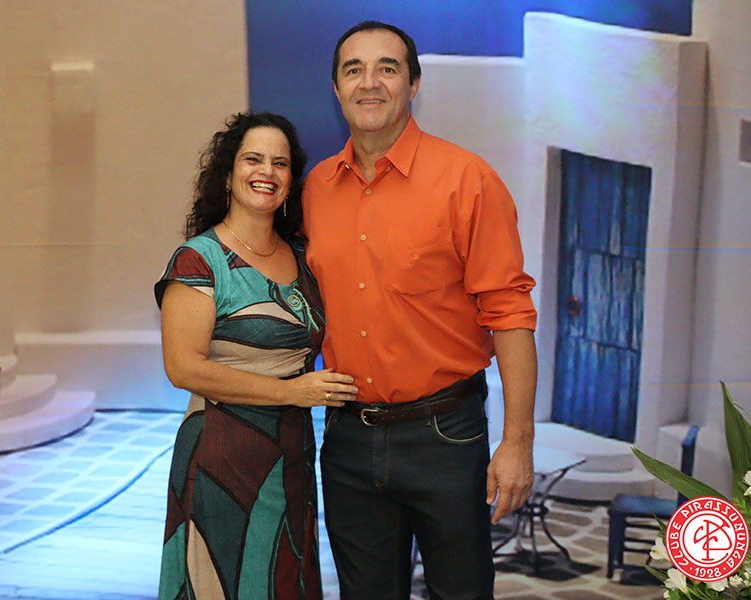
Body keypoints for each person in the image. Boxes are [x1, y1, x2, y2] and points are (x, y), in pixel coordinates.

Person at [302, 21, 538, 599]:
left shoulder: (467, 181)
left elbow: (509, 313)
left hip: (445, 436)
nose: (369, 82)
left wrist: (517, 443)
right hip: (348, 437)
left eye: (387, 68)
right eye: (353, 70)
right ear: (336, 88)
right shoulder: (315, 189)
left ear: (413, 84)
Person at [154, 112, 358, 600]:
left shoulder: (303, 256)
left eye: (280, 163)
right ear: (228, 175)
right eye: (253, 159)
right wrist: (292, 392)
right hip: (222, 461)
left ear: (290, 182)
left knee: (285, 579)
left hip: (291, 457)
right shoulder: (200, 259)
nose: (267, 171)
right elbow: (183, 368)